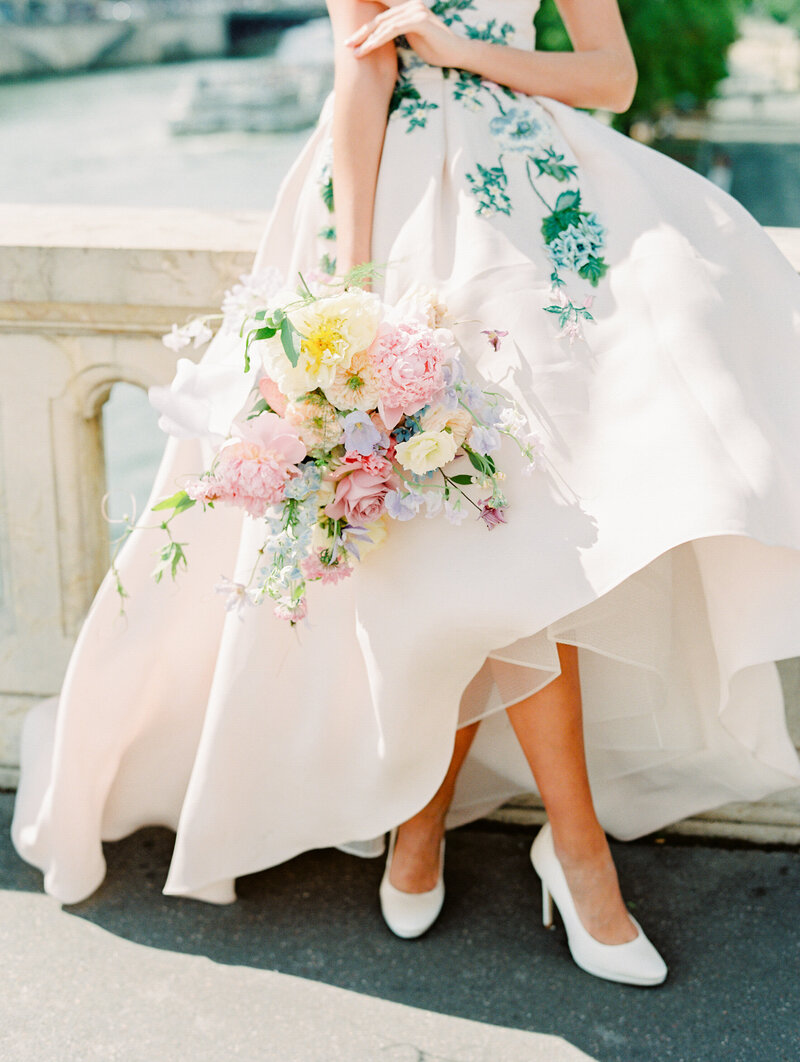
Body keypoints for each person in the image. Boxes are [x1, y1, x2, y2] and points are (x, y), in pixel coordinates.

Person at [12, 0, 800, 990]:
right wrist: (351, 292)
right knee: (464, 527)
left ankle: (460, 828)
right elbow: (361, 74)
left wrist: (464, 50)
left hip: (531, 210)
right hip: (392, 202)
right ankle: (558, 847)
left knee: (515, 520)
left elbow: (610, 77)